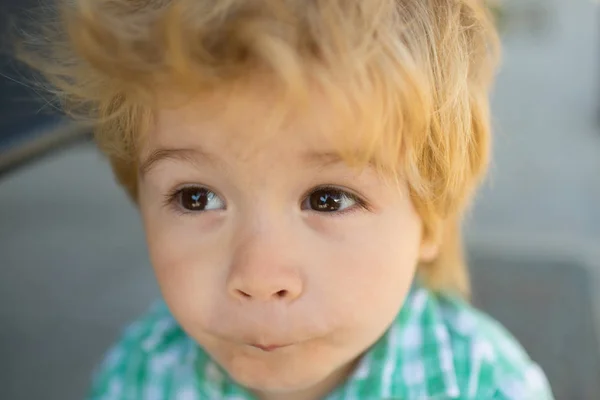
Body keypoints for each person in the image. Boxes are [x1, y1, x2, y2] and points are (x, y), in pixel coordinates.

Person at [18, 0, 554, 398]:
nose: (258, 275)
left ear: (430, 217)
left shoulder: (483, 384)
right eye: (197, 197)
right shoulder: (144, 375)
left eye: (327, 199)